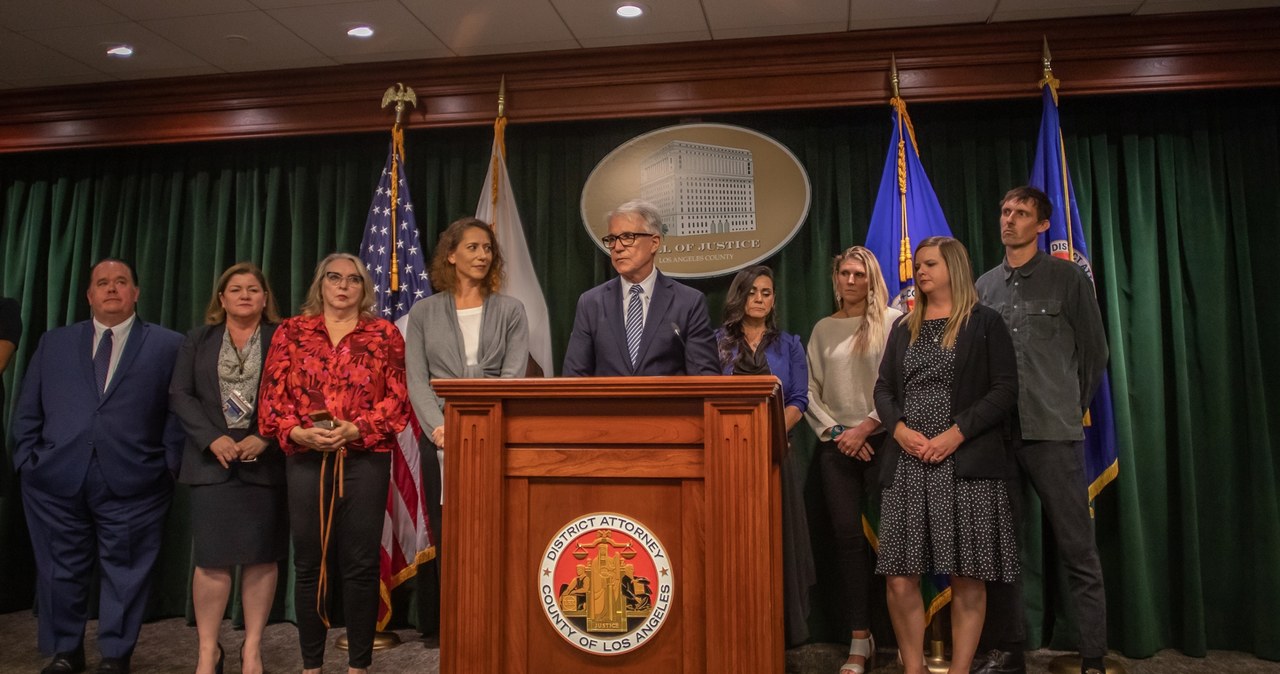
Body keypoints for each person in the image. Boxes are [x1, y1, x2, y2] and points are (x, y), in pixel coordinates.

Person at [13, 258, 185, 674]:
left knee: (126, 572)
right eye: (103, 283)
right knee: (59, 569)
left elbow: (178, 414)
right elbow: (28, 408)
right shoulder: (53, 343)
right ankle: (65, 652)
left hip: (135, 479)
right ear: (89, 294)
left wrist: (166, 466)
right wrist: (27, 459)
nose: (112, 289)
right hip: (55, 477)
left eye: (121, 282)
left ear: (136, 292)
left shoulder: (168, 344)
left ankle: (115, 656)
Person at [972, 187, 1110, 674]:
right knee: (1002, 549)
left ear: (1042, 225)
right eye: (1006, 211)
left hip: (1053, 432)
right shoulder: (984, 286)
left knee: (1076, 546)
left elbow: (1095, 355)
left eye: (1022, 213)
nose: (1010, 220)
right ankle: (1008, 652)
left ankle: (1093, 654)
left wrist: (1067, 406)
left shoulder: (1067, 278)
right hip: (997, 438)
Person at [257, 253, 409, 674]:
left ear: (365, 289)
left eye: (353, 280)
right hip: (306, 459)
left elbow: (397, 402)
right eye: (334, 278)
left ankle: (358, 666)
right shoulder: (291, 331)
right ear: (320, 285)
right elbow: (271, 401)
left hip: (364, 460)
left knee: (360, 565)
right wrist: (297, 432)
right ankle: (311, 666)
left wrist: (357, 428)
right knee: (308, 564)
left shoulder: (383, 334)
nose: (343, 286)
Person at [873, 237, 1019, 674]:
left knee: (967, 577)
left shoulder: (984, 323)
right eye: (917, 266)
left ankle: (959, 671)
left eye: (929, 264)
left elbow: (1005, 390)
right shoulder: (904, 326)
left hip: (966, 464)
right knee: (900, 578)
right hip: (909, 464)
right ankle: (914, 669)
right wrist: (898, 429)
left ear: (953, 267)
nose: (920, 272)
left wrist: (956, 434)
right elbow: (882, 389)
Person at [169, 262, 286, 674]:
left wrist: (267, 435)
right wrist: (211, 438)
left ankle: (252, 649)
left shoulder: (282, 338)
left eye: (253, 289)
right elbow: (180, 394)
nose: (244, 296)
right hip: (210, 464)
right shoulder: (197, 339)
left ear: (265, 298)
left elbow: (295, 394)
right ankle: (208, 651)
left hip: (263, 465)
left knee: (260, 558)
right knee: (212, 560)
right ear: (221, 298)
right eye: (235, 289)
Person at [804, 246, 903, 674]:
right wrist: (841, 434)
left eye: (859, 274)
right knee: (847, 544)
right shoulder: (824, 328)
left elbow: (901, 381)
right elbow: (808, 391)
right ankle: (860, 639)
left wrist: (868, 427)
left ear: (872, 279)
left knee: (896, 545)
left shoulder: (893, 322)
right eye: (844, 273)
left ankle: (902, 636)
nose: (850, 281)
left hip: (885, 442)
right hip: (837, 446)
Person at [713, 265, 812, 646]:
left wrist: (766, 433)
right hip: (726, 460)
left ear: (774, 300)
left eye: (767, 292)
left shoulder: (789, 345)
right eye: (752, 291)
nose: (759, 298)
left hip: (775, 456)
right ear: (739, 296)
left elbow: (799, 400)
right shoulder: (715, 342)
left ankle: (775, 631)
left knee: (774, 541)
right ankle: (731, 630)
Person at [406, 217, 529, 450]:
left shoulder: (512, 310)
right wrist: (440, 428)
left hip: (496, 428)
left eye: (488, 248)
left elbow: (512, 377)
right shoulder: (423, 312)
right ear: (451, 256)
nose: (483, 256)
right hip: (439, 433)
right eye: (472, 247)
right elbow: (417, 381)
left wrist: (489, 424)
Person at [562, 200, 718, 376]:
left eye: (628, 237)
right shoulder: (591, 303)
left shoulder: (689, 302)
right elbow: (575, 375)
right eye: (612, 239)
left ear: (654, 242)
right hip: (608, 403)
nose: (617, 247)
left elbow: (705, 377)